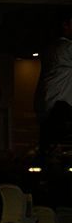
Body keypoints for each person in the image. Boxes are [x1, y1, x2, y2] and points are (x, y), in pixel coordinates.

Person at [35, 13, 72, 157]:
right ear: (65, 25)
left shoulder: (52, 48)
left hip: (50, 108)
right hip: (60, 109)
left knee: (52, 153)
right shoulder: (65, 48)